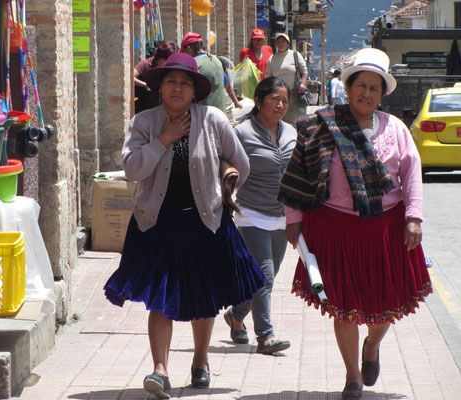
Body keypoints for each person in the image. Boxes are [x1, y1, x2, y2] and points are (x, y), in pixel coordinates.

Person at [103, 53, 265, 399]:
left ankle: (201, 361)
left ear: (195, 91)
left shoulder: (213, 119)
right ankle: (160, 370)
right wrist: (163, 138)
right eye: (171, 82)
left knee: (202, 296)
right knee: (160, 299)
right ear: (160, 87)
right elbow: (132, 170)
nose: (177, 88)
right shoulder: (144, 123)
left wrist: (225, 194)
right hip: (157, 222)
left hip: (204, 221)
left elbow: (242, 164)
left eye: (185, 83)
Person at [279, 48, 432, 399]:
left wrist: (414, 218)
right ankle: (352, 377)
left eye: (374, 88)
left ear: (382, 95)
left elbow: (411, 175)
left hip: (385, 227)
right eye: (360, 85)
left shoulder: (395, 129)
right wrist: (294, 220)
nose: (366, 93)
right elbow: (299, 173)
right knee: (344, 305)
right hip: (334, 227)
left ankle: (373, 345)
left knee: (385, 302)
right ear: (348, 88)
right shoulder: (322, 125)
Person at [224, 77, 297, 355]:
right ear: (258, 102)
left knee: (266, 277)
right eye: (274, 99)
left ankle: (236, 314)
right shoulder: (242, 133)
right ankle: (265, 337)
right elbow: (225, 165)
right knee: (264, 274)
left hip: (281, 214)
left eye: (284, 101)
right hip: (251, 212)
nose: (280, 105)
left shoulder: (291, 132)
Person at [265, 33, 308, 128]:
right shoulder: (272, 59)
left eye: (283, 42)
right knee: (278, 117)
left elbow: (304, 70)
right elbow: (268, 77)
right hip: (277, 94)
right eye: (278, 42)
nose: (281, 44)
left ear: (287, 44)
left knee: (290, 118)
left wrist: (303, 83)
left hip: (292, 93)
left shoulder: (295, 55)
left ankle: (291, 140)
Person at [179, 32, 227, 112]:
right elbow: (226, 83)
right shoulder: (216, 60)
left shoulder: (195, 64)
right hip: (220, 114)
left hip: (203, 116)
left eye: (183, 53)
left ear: (188, 49)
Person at [134, 40, 177, 113]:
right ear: (160, 58)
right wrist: (145, 85)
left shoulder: (170, 68)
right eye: (167, 61)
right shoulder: (146, 64)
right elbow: (130, 77)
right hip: (143, 109)